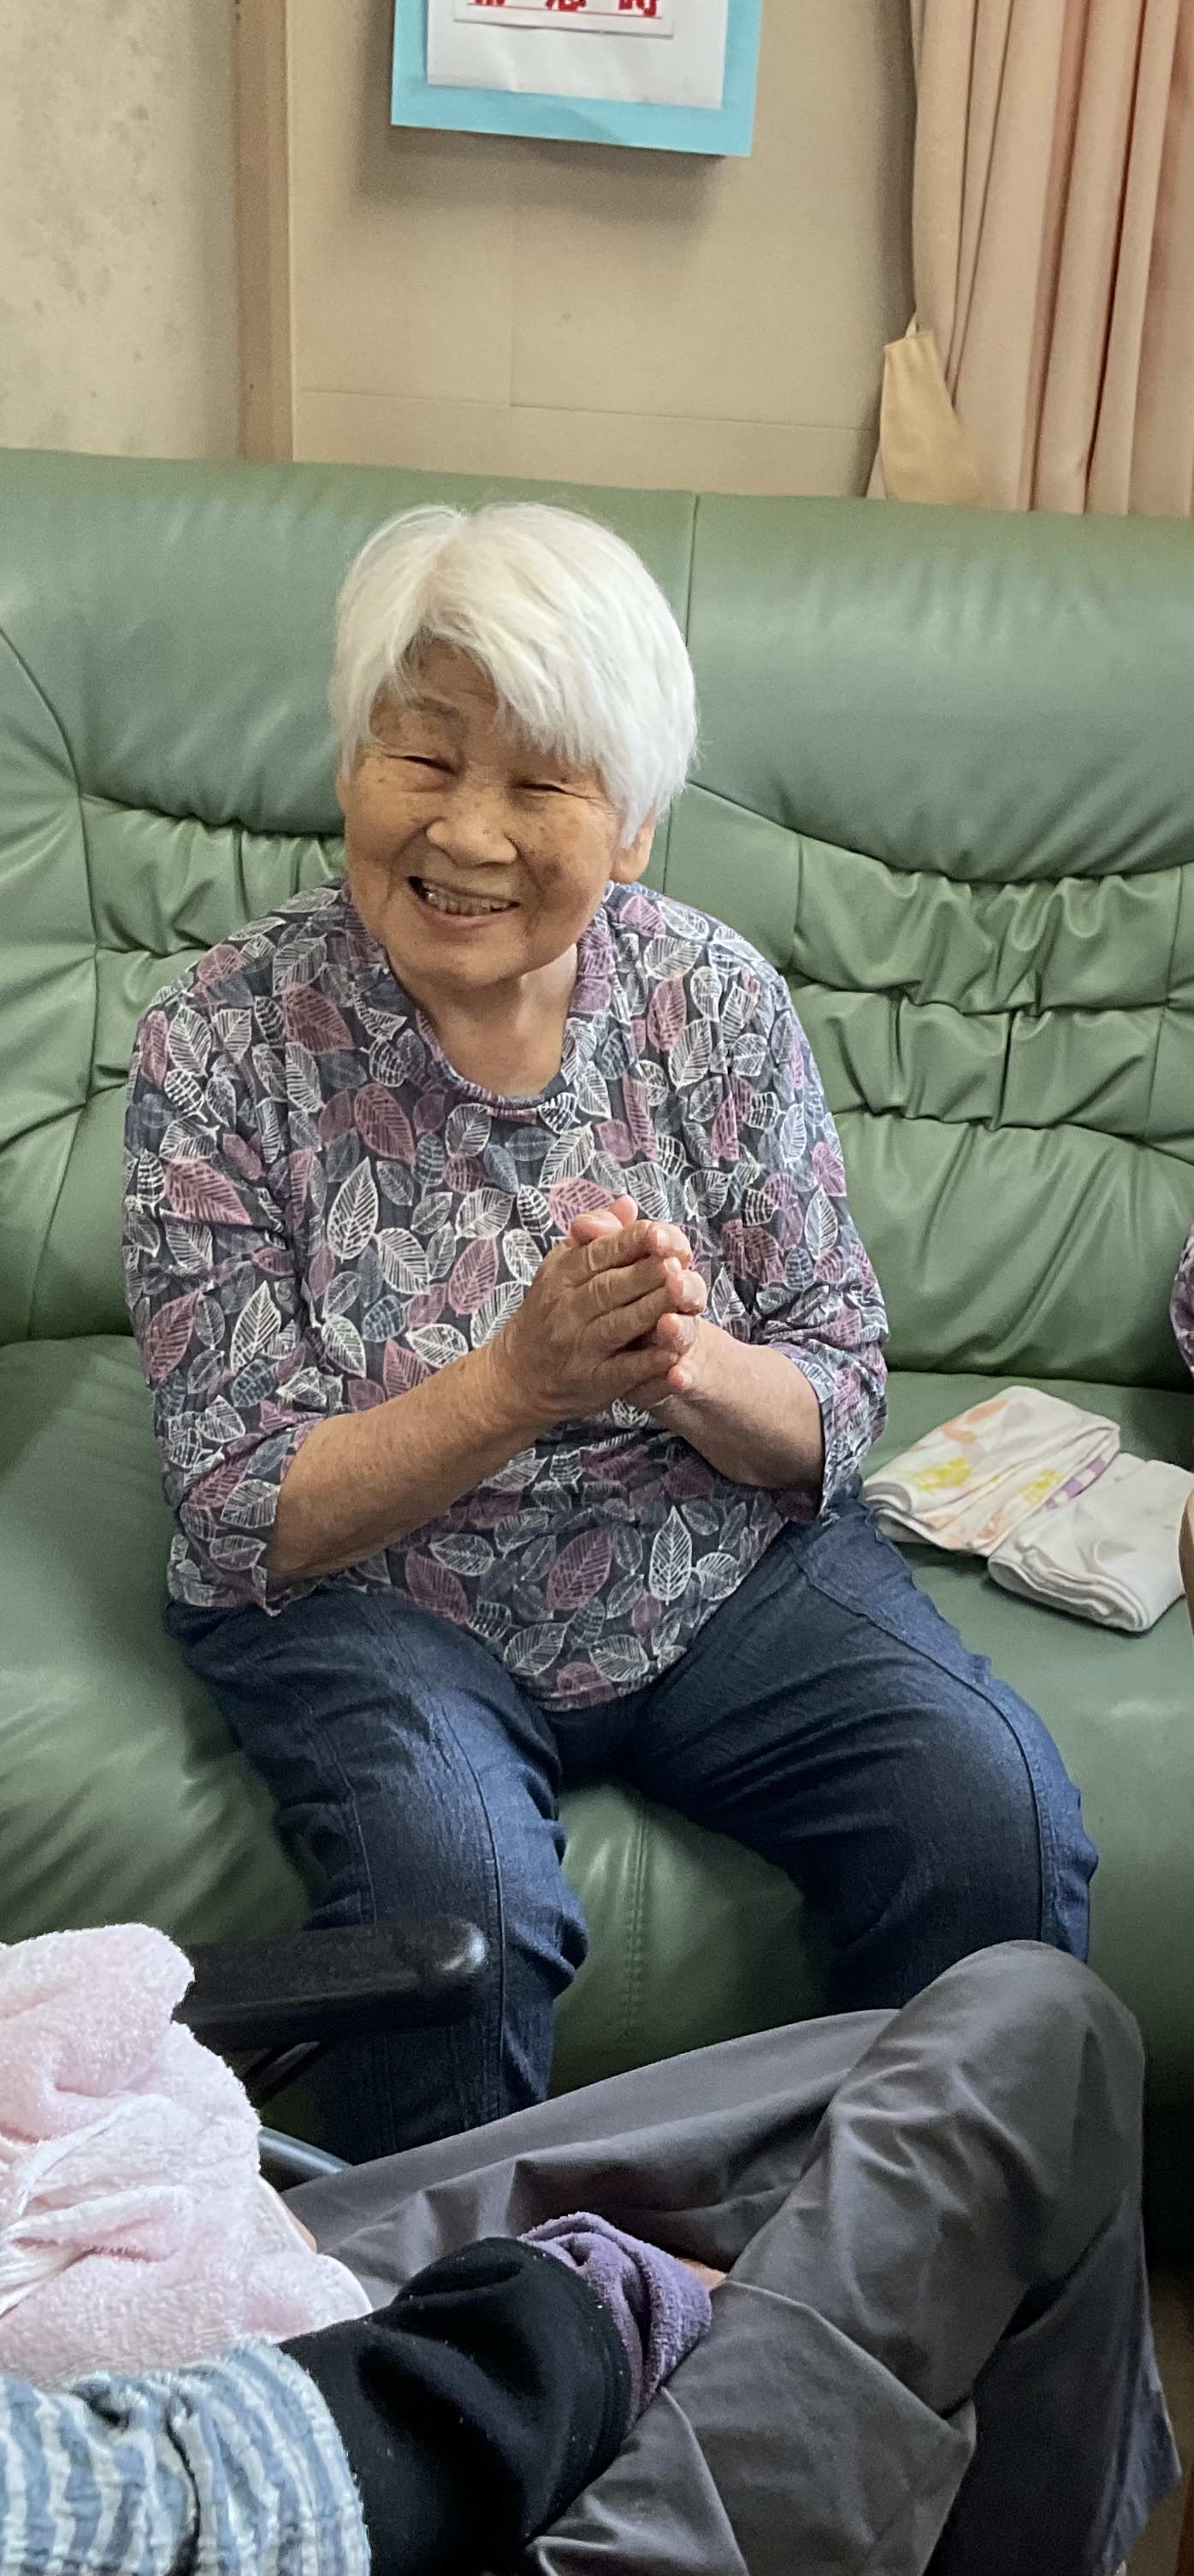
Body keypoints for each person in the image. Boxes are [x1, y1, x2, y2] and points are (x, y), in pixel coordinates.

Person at [123, 501, 1096, 2164]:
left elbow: (838, 1387)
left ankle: (888, 2277)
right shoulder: (219, 1041)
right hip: (381, 1598)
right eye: (424, 757)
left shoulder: (713, 1002)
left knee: (986, 1807)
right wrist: (520, 1383)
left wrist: (681, 1365)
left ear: (631, 828)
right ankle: (450, 2321)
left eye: (539, 784)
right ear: (352, 763)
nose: (467, 832)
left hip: (715, 1574)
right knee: (458, 1910)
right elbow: (240, 1505)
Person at [0, 1946, 1178, 2573]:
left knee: (880, 2079)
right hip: (250, 2457)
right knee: (1036, 2039)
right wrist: (586, 2318)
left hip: (149, 2326)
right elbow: (166, 2511)